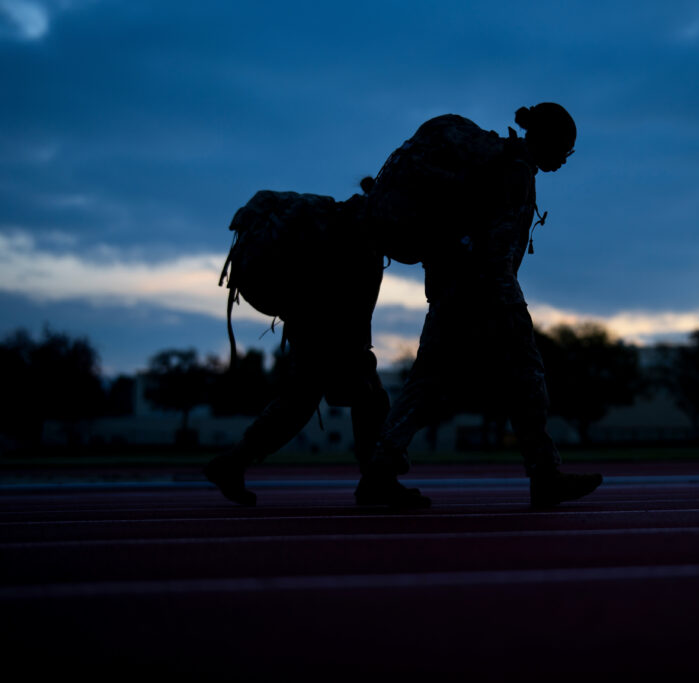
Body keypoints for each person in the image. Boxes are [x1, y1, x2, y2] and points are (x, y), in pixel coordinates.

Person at [365, 102, 603, 507]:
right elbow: (498, 247)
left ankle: (379, 474)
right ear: (548, 141)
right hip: (482, 293)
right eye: (565, 148)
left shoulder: (501, 163)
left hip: (455, 287)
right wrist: (510, 304)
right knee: (526, 377)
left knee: (430, 384)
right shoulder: (513, 171)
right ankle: (544, 476)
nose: (565, 159)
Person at [203, 187, 430, 508]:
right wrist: (355, 351)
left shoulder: (343, 225)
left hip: (308, 317)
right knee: (366, 396)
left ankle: (233, 463)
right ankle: (377, 483)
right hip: (324, 321)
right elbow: (356, 308)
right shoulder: (362, 242)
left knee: (301, 399)